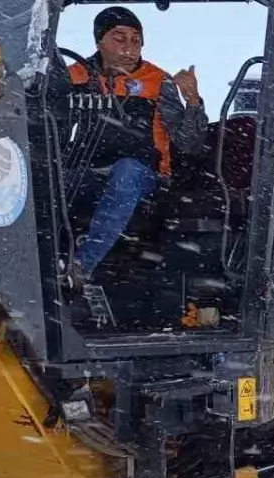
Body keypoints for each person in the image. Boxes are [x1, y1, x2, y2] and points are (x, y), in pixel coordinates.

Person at [53, 6, 208, 282]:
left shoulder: (158, 82)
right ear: (99, 40)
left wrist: (193, 100)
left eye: (136, 40)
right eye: (119, 37)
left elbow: (189, 143)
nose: (129, 47)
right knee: (46, 178)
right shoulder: (73, 77)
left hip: (144, 177)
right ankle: (42, 261)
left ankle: (80, 267)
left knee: (126, 171)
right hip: (87, 171)